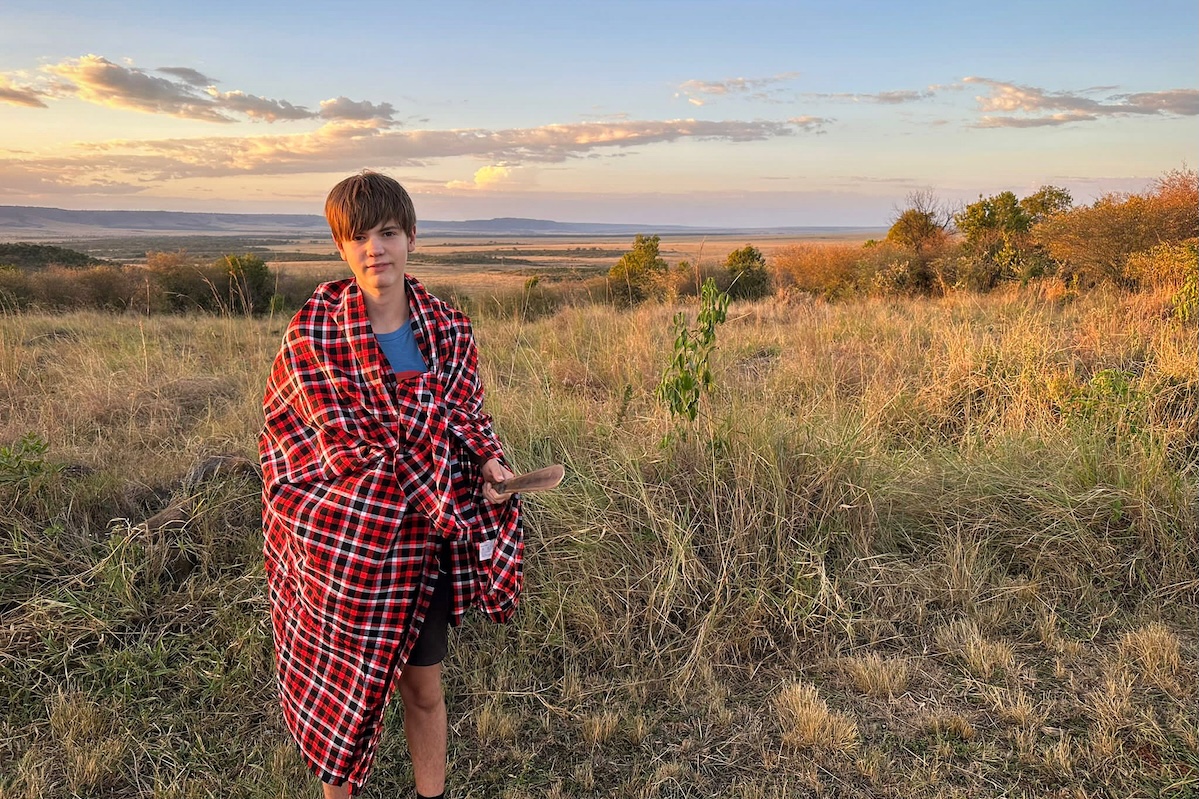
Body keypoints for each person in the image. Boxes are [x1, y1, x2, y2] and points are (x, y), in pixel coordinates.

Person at [259, 170, 524, 799]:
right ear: (340, 247)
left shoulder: (450, 329)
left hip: (424, 544)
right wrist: (410, 466)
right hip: (345, 554)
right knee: (340, 697)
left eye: (387, 232)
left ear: (411, 237)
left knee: (424, 690)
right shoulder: (313, 336)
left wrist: (489, 465)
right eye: (358, 237)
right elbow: (303, 447)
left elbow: (467, 419)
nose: (374, 249)